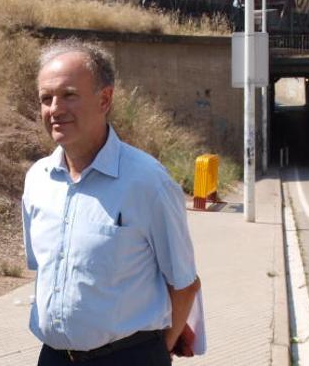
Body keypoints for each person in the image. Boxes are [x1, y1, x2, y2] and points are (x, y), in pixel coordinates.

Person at [22, 40, 201, 365]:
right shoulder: (37, 179)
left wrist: (158, 351)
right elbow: (44, 269)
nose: (55, 109)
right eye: (46, 99)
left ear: (104, 99)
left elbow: (185, 284)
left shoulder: (148, 182)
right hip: (53, 357)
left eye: (69, 95)